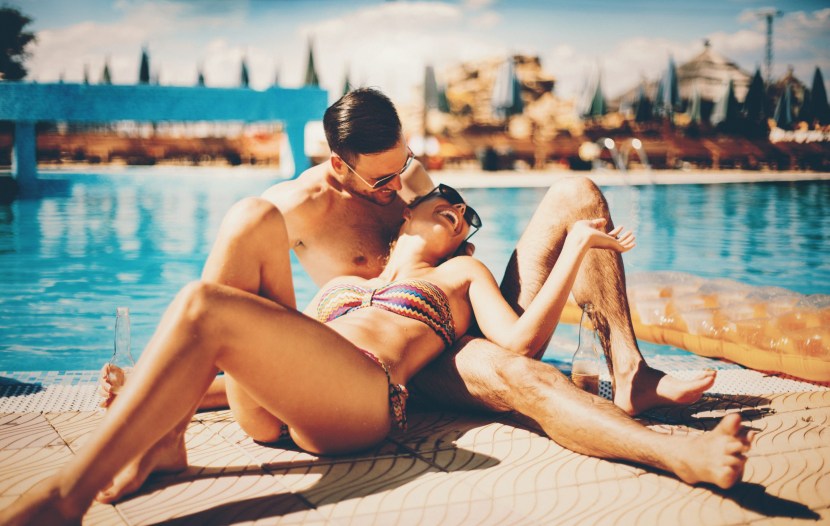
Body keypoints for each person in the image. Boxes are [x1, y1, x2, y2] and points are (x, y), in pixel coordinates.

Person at [96, 88, 735, 491]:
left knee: (578, 195)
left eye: (407, 164)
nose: (405, 184)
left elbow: (451, 228)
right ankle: (163, 429)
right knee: (518, 375)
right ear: (338, 164)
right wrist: (164, 378)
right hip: (392, 355)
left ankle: (631, 373)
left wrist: (451, 241)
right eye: (386, 179)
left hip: (451, 307)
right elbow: (276, 346)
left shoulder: (408, 179)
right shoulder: (290, 210)